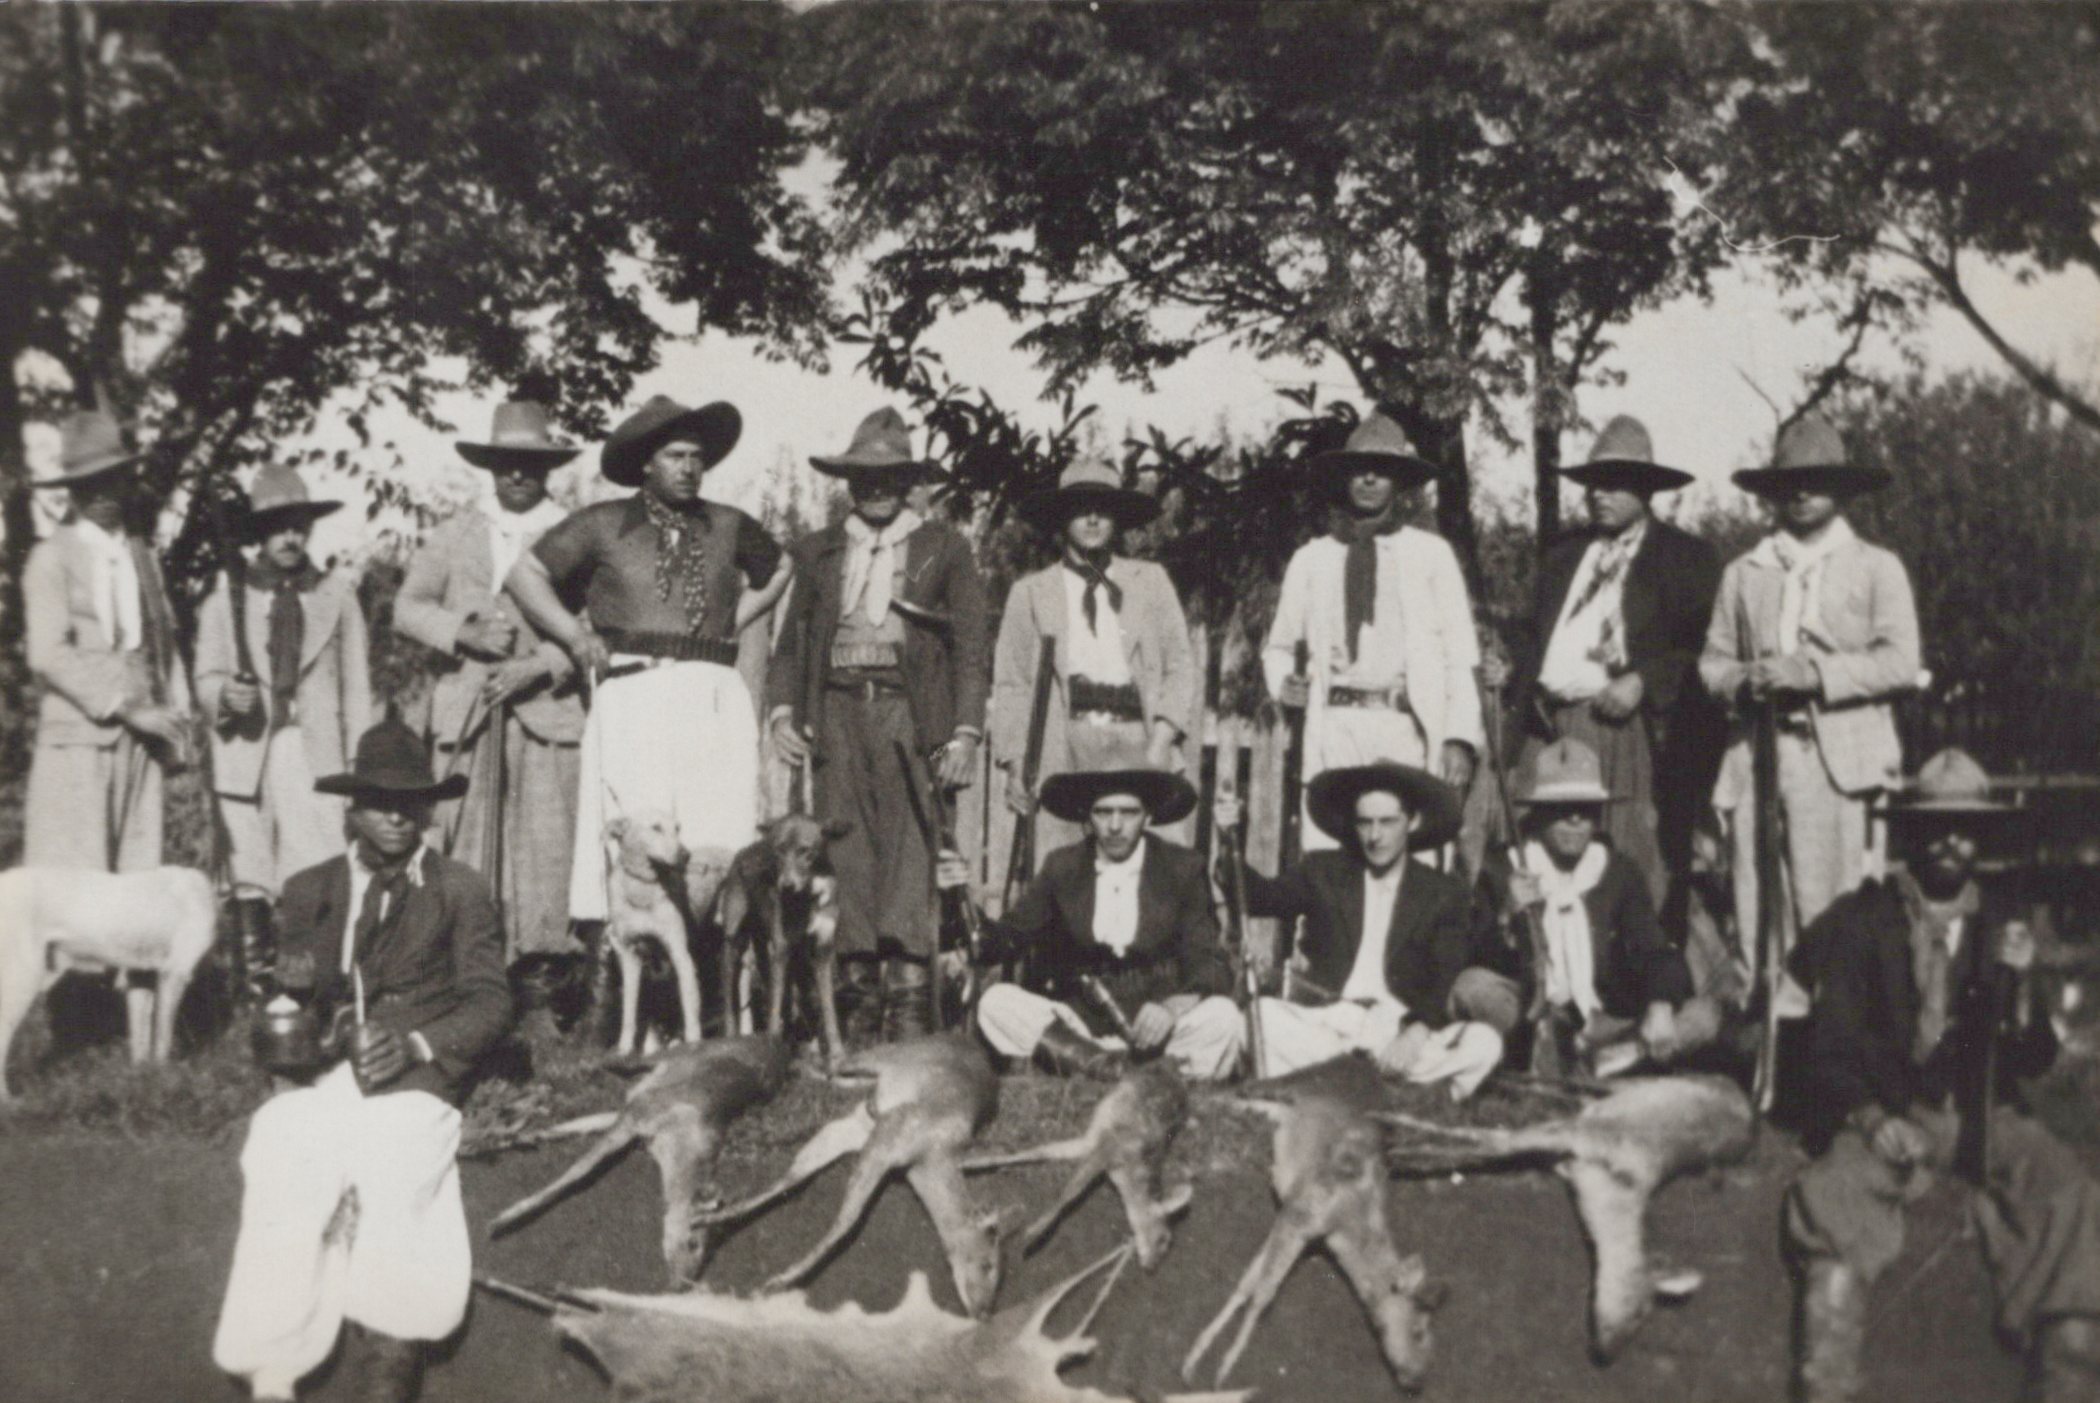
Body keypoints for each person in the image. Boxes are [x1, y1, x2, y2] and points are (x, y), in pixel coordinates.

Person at [1783, 748, 2100, 1403]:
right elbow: (1828, 1047)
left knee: (2067, 1188)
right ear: (1910, 832)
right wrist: (1872, 1118)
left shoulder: (1999, 922)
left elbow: (2034, 1059)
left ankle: (2068, 1379)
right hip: (1895, 1112)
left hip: (1981, 1114)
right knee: (1833, 1192)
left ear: (1982, 837)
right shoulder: (1863, 921)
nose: (1952, 840)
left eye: (1966, 827)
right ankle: (1827, 1379)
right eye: (1937, 825)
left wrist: (2024, 990)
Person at [212, 717, 512, 1403]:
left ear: (429, 808)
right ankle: (271, 1366)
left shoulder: (459, 888)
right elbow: (291, 1016)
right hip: (330, 1072)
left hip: (416, 1076)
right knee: (280, 1141)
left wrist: (416, 1043)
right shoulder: (310, 889)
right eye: (380, 801)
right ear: (352, 808)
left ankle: (390, 1354)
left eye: (411, 802)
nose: (397, 816)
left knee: (395, 1155)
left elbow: (491, 1001)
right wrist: (292, 998)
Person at [506, 394, 789, 939]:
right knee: (636, 825)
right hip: (635, 693)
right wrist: (574, 635)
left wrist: (732, 619)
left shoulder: (727, 523)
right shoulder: (603, 523)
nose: (689, 468)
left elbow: (780, 567)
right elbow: (525, 574)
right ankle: (620, 967)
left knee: (718, 830)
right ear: (645, 464)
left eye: (696, 457)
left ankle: (712, 966)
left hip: (713, 694)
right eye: (675, 456)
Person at [769, 407, 990, 1039]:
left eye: (891, 476)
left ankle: (911, 1006)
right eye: (864, 476)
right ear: (848, 481)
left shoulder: (944, 548)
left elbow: (971, 646)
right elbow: (790, 645)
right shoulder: (819, 551)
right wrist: (784, 712)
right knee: (845, 852)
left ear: (910, 481)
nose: (876, 488)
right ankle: (855, 1005)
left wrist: (965, 733)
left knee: (913, 850)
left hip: (914, 713)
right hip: (837, 712)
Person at [1701, 413, 1920, 988]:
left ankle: (1832, 1031)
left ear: (1842, 489)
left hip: (1838, 765)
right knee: (1757, 904)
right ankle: (1768, 1026)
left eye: (1816, 481)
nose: (1800, 493)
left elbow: (1901, 661)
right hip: (1757, 757)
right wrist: (1744, 680)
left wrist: (1816, 675)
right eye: (1787, 482)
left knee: (1834, 912)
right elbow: (1712, 663)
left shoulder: (1876, 567)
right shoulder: (1745, 572)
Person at [394, 400, 584, 966]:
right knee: (465, 843)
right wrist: (463, 633)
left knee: (547, 849)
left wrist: (544, 663)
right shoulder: (455, 533)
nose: (518, 474)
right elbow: (408, 607)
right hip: (469, 717)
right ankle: (470, 970)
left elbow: (599, 622)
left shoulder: (575, 533)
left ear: (549, 467)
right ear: (489, 466)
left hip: (549, 714)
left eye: (530, 463)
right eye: (505, 463)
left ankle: (542, 971)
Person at [1502, 416, 1720, 906]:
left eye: (1615, 484)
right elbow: (1531, 635)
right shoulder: (1563, 556)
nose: (1599, 495)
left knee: (1625, 856)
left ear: (1646, 490)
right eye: (1593, 485)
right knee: (1540, 852)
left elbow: (1705, 648)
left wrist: (1644, 680)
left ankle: (1636, 950)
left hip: (1624, 731)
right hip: (1549, 728)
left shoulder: (1684, 558)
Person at [1217, 761, 1504, 1098]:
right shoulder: (1324, 872)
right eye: (1365, 822)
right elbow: (1257, 898)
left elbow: (1445, 972)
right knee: (1260, 1017)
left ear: (1412, 821)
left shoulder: (1441, 891)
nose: (1375, 836)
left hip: (1395, 1030)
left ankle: (1346, 1087)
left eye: (1387, 822)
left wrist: (1416, 1031)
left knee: (1484, 1042)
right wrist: (1229, 841)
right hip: (1330, 1024)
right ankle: (1387, 1091)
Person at [1261, 413, 1482, 850]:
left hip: (1404, 726)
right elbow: (1279, 647)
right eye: (1359, 469)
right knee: (1330, 855)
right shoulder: (1313, 558)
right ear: (1344, 477)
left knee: (1403, 856)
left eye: (1381, 470)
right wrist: (1285, 684)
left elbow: (1461, 655)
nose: (1368, 479)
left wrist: (1458, 736)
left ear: (1398, 481)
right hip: (1335, 727)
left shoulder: (1430, 555)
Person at [195, 463, 371, 984]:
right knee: (250, 868)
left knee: (315, 863)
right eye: (277, 528)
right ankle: (256, 984)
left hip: (314, 752)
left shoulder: (336, 595)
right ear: (258, 534)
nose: (290, 538)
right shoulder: (228, 597)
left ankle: (312, 982)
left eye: (298, 526)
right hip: (247, 750)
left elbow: (357, 689)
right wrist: (226, 695)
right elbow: (205, 676)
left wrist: (357, 767)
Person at [961, 768, 1243, 1080]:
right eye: (1103, 812)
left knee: (1224, 1016)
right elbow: (1010, 935)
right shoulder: (1063, 866)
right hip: (1080, 1029)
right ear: (1088, 817)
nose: (1115, 825)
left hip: (1157, 1030)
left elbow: (1209, 960)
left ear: (1148, 816)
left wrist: (1172, 1007)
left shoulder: (1181, 868)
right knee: (996, 1002)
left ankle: (1090, 1069)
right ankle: (1115, 1069)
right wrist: (958, 899)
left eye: (1129, 812)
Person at [1469, 738, 1721, 1077]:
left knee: (1706, 1015)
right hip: (1530, 1014)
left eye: (1585, 809)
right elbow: (1475, 957)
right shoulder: (1503, 869)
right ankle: (1568, 1057)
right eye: (1562, 809)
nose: (1575, 819)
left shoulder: (1617, 871)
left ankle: (1605, 1060)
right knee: (1473, 988)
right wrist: (1506, 914)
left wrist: (1660, 1003)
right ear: (1538, 813)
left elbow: (1656, 951)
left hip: (1605, 1018)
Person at [991, 456, 1197, 862]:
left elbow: (1180, 666)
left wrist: (1160, 743)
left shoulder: (1150, 582)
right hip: (1063, 746)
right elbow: (1012, 683)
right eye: (1079, 508)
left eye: (1103, 509)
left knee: (1154, 874)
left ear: (1117, 518)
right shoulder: (1030, 593)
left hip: (1138, 741)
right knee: (1064, 871)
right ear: (1061, 517)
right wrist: (1015, 762)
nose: (1092, 519)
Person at [22, 409, 192, 872]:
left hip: (141, 744)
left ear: (126, 480)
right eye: (85, 484)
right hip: (77, 742)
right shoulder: (51, 558)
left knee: (137, 879)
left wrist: (177, 718)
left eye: (109, 480)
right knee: (75, 882)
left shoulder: (142, 557)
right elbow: (47, 653)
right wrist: (125, 707)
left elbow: (163, 641)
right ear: (71, 491)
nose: (99, 495)